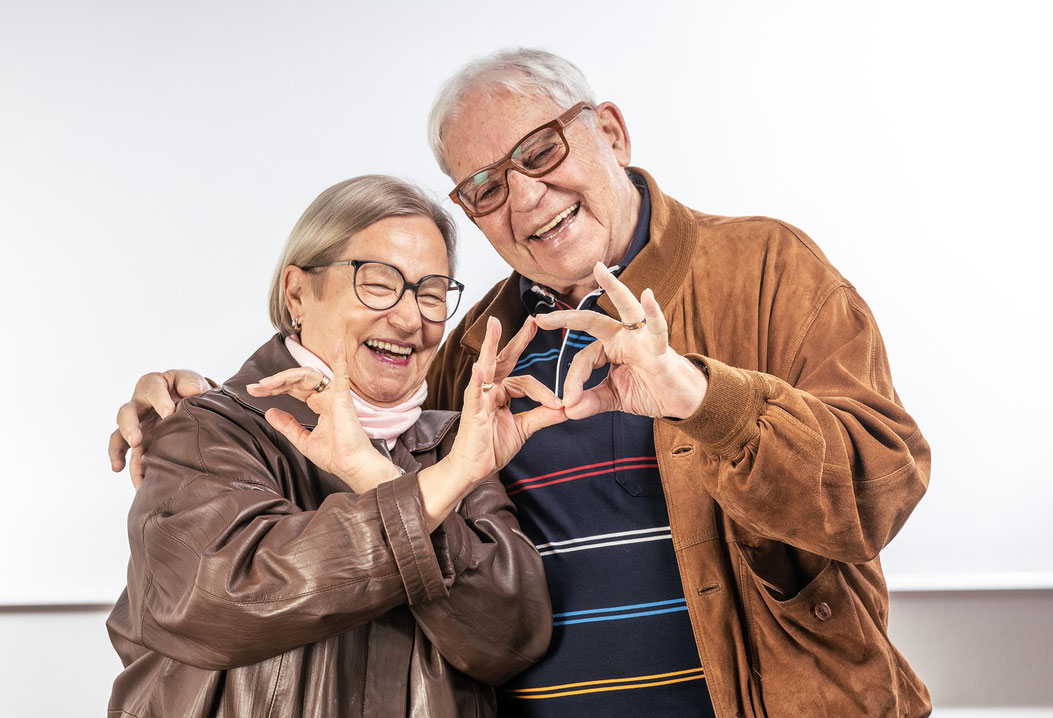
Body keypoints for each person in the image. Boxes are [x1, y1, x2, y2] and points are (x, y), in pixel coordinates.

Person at [110, 50, 933, 716]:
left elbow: (881, 488)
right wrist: (189, 399)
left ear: (611, 131)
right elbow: (355, 442)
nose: (527, 197)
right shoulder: (473, 347)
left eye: (541, 151)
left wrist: (694, 396)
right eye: (488, 188)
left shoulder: (764, 268)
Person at [106, 175, 565, 718]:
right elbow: (226, 594)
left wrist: (375, 472)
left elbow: (510, 641)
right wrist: (430, 496)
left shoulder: (455, 445)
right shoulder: (204, 430)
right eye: (377, 282)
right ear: (297, 292)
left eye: (432, 292)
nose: (409, 316)